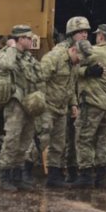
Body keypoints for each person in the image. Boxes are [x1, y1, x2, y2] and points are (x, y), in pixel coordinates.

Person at [38, 37, 91, 188]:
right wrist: (40, 102)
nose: (79, 61)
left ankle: (54, 176)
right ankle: (25, 170)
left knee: (59, 144)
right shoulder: (54, 58)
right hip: (48, 106)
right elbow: (40, 79)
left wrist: (73, 104)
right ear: (73, 50)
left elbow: (71, 86)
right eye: (79, 57)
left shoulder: (73, 64)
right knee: (42, 139)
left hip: (61, 108)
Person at [0, 25, 43, 192]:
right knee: (12, 139)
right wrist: (11, 48)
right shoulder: (7, 54)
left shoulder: (29, 58)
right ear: (20, 39)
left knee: (25, 141)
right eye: (28, 38)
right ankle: (5, 176)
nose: (31, 41)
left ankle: (17, 175)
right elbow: (6, 65)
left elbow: (40, 74)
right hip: (16, 103)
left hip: (29, 104)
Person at [72, 24, 106, 188]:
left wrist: (84, 71)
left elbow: (73, 64)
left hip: (92, 103)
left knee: (84, 138)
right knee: (102, 140)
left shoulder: (95, 53)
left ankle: (84, 175)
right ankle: (101, 177)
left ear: (101, 37)